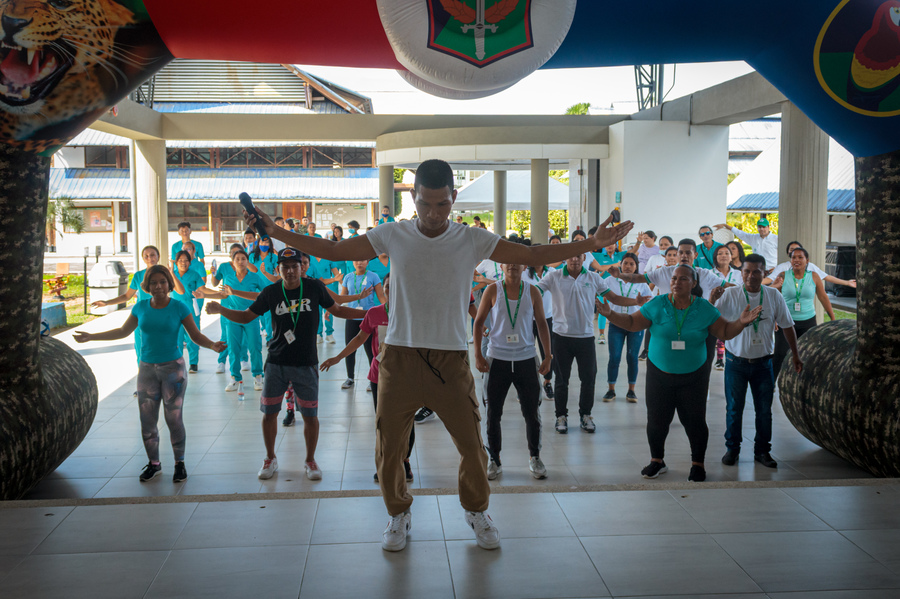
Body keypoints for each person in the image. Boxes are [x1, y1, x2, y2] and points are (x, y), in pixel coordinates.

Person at [243, 158, 634, 553]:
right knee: (389, 447)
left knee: (472, 446)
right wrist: (275, 231)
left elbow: (530, 256)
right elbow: (334, 249)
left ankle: (477, 510)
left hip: (450, 360)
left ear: (454, 198)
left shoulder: (471, 239)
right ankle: (398, 512)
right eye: (425, 204)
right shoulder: (392, 234)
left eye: (442, 205)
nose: (432, 214)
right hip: (399, 358)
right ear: (413, 197)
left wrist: (592, 244)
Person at [207, 249, 367, 481]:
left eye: (295, 266)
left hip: (306, 364)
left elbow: (338, 310)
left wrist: (370, 313)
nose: (291, 270)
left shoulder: (314, 288)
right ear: (278, 269)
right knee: (270, 413)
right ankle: (270, 457)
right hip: (276, 363)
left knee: (310, 416)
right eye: (285, 266)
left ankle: (310, 460)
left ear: (302, 267)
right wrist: (221, 309)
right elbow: (245, 316)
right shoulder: (271, 292)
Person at [597, 264, 762, 482]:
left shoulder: (704, 308)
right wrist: (610, 314)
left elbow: (723, 331)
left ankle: (697, 464)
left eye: (683, 279)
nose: (676, 282)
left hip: (693, 375)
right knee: (656, 420)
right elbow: (631, 323)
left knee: (694, 421)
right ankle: (657, 460)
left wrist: (740, 323)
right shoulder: (657, 304)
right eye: (674, 278)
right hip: (659, 373)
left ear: (694, 284)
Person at [74, 265, 226, 482]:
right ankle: (154, 464)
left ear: (169, 284)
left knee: (173, 419)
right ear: (146, 286)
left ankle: (179, 463)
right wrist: (91, 337)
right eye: (153, 283)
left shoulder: (179, 308)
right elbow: (122, 331)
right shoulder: (141, 308)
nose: (158, 287)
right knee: (147, 421)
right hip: (146, 370)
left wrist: (212, 345)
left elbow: (195, 335)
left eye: (162, 282)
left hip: (173, 370)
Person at [535, 252, 647, 434]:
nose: (575, 259)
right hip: (561, 336)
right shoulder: (554, 276)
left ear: (584, 258)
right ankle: (560, 416)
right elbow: (536, 291)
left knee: (588, 378)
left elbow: (614, 298)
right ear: (566, 257)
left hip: (585, 337)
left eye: (579, 256)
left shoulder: (593, 277)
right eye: (571, 255)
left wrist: (636, 301)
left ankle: (585, 415)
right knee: (562, 380)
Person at [320, 274, 416, 483]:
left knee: (407, 422)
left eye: (397, 287)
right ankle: (386, 462)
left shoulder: (412, 313)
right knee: (383, 421)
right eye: (389, 287)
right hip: (379, 376)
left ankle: (405, 460)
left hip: (407, 377)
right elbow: (359, 338)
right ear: (385, 290)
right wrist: (338, 357)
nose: (392, 291)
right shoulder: (374, 313)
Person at [710, 254, 803, 469]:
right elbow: (711, 318)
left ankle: (762, 451)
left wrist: (796, 355)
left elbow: (787, 326)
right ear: (741, 273)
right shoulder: (731, 294)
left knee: (764, 410)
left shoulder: (773, 296)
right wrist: (713, 300)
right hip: (736, 364)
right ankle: (732, 449)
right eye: (747, 271)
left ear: (765, 273)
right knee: (734, 408)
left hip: (763, 364)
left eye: (756, 272)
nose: (751, 276)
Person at [610, 239, 735, 376]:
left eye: (688, 252)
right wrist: (620, 275)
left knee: (703, 364)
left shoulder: (704, 274)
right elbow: (637, 278)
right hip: (669, 327)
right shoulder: (664, 272)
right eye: (680, 252)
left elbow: (727, 286)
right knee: (666, 364)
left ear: (695, 255)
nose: (684, 256)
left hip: (699, 329)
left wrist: (751, 289)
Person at [473, 262, 552, 480]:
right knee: (492, 413)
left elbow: (542, 324)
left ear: (523, 265)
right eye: (508, 263)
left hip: (526, 359)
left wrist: (547, 355)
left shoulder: (532, 291)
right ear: (501, 265)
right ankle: (494, 459)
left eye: (516, 262)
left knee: (532, 413)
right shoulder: (492, 290)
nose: (512, 266)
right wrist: (478, 355)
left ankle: (535, 457)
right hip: (497, 359)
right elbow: (478, 322)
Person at [196, 249, 266, 392]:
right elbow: (223, 296)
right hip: (233, 317)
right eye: (237, 259)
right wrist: (203, 295)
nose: (240, 262)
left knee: (254, 347)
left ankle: (258, 376)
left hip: (250, 317)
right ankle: (235, 377)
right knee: (233, 348)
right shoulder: (228, 278)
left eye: (243, 259)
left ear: (247, 261)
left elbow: (263, 295)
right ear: (233, 263)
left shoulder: (255, 277)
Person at [770, 247, 836, 380]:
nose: (797, 260)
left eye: (800, 257)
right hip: (786, 321)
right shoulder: (783, 275)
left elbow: (823, 297)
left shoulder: (814, 276)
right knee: (780, 353)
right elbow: (774, 298)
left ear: (807, 261)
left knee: (807, 353)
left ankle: (803, 382)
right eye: (794, 257)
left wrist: (832, 318)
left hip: (808, 321)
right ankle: (769, 383)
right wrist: (774, 318)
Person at [90, 245, 159, 366]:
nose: (150, 258)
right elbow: (127, 296)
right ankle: (143, 375)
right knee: (141, 348)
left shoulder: (165, 274)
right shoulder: (138, 276)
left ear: (158, 256)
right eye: (146, 256)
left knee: (158, 348)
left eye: (152, 255)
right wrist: (106, 302)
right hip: (141, 316)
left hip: (159, 315)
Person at [602, 253, 653, 403]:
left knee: (632, 357)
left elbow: (648, 302)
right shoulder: (610, 280)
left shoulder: (641, 283)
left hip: (636, 324)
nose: (628, 267)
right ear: (621, 265)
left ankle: (631, 390)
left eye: (632, 264)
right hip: (616, 323)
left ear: (636, 266)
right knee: (614, 357)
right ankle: (611, 390)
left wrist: (642, 304)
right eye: (625, 263)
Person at [340, 259, 386, 389]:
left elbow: (381, 295)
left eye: (362, 260)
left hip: (368, 318)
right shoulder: (348, 277)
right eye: (356, 261)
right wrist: (330, 309)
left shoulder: (373, 276)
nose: (359, 263)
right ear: (352, 263)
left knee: (371, 350)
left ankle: (373, 379)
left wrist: (388, 309)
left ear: (367, 262)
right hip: (351, 317)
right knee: (350, 348)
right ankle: (350, 377)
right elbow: (342, 297)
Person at [523, 260, 556, 400]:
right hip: (527, 318)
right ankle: (524, 385)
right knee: (526, 351)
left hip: (547, 317)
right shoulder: (524, 273)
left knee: (548, 352)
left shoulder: (552, 273)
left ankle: (547, 382)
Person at [763, 241, 857, 289]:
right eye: (792, 250)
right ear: (788, 253)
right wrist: (751, 285)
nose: (795, 253)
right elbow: (769, 279)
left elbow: (826, 277)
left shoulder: (810, 266)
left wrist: (847, 282)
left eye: (798, 250)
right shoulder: (782, 267)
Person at [639, 237, 674, 361]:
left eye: (666, 245)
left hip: (676, 304)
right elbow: (650, 280)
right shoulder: (658, 265)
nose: (663, 247)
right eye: (661, 245)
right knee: (652, 325)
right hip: (659, 300)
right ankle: (647, 350)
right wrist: (648, 295)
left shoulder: (682, 270)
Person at [171, 250, 205, 373]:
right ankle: (178, 363)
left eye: (186, 260)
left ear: (190, 262)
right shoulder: (171, 275)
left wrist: (218, 294)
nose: (183, 263)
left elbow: (202, 289)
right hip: (174, 309)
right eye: (180, 260)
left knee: (193, 336)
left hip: (190, 308)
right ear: (176, 262)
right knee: (177, 338)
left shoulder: (195, 275)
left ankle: (193, 363)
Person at [710, 245, 740, 370]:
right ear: (715, 257)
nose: (723, 256)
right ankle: (719, 359)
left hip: (734, 311)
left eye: (726, 253)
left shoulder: (739, 274)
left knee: (732, 339)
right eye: (720, 253)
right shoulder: (709, 274)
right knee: (718, 337)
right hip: (715, 311)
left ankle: (728, 360)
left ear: (731, 257)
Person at [248, 236, 280, 340]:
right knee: (258, 313)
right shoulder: (252, 256)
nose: (264, 245)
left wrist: (265, 273)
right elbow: (248, 272)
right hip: (255, 290)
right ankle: (264, 329)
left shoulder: (273, 257)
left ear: (270, 245)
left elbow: (279, 276)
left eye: (267, 243)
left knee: (268, 315)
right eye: (262, 242)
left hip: (269, 289)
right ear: (257, 243)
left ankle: (270, 338)